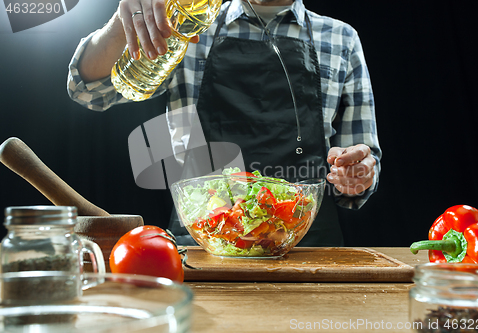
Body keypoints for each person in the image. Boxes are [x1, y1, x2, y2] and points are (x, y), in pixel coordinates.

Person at [67, 0, 381, 247]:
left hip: (307, 250)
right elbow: (89, 91)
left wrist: (357, 173)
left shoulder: (342, 39)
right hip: (203, 247)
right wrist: (120, 26)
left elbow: (360, 177)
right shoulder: (184, 25)